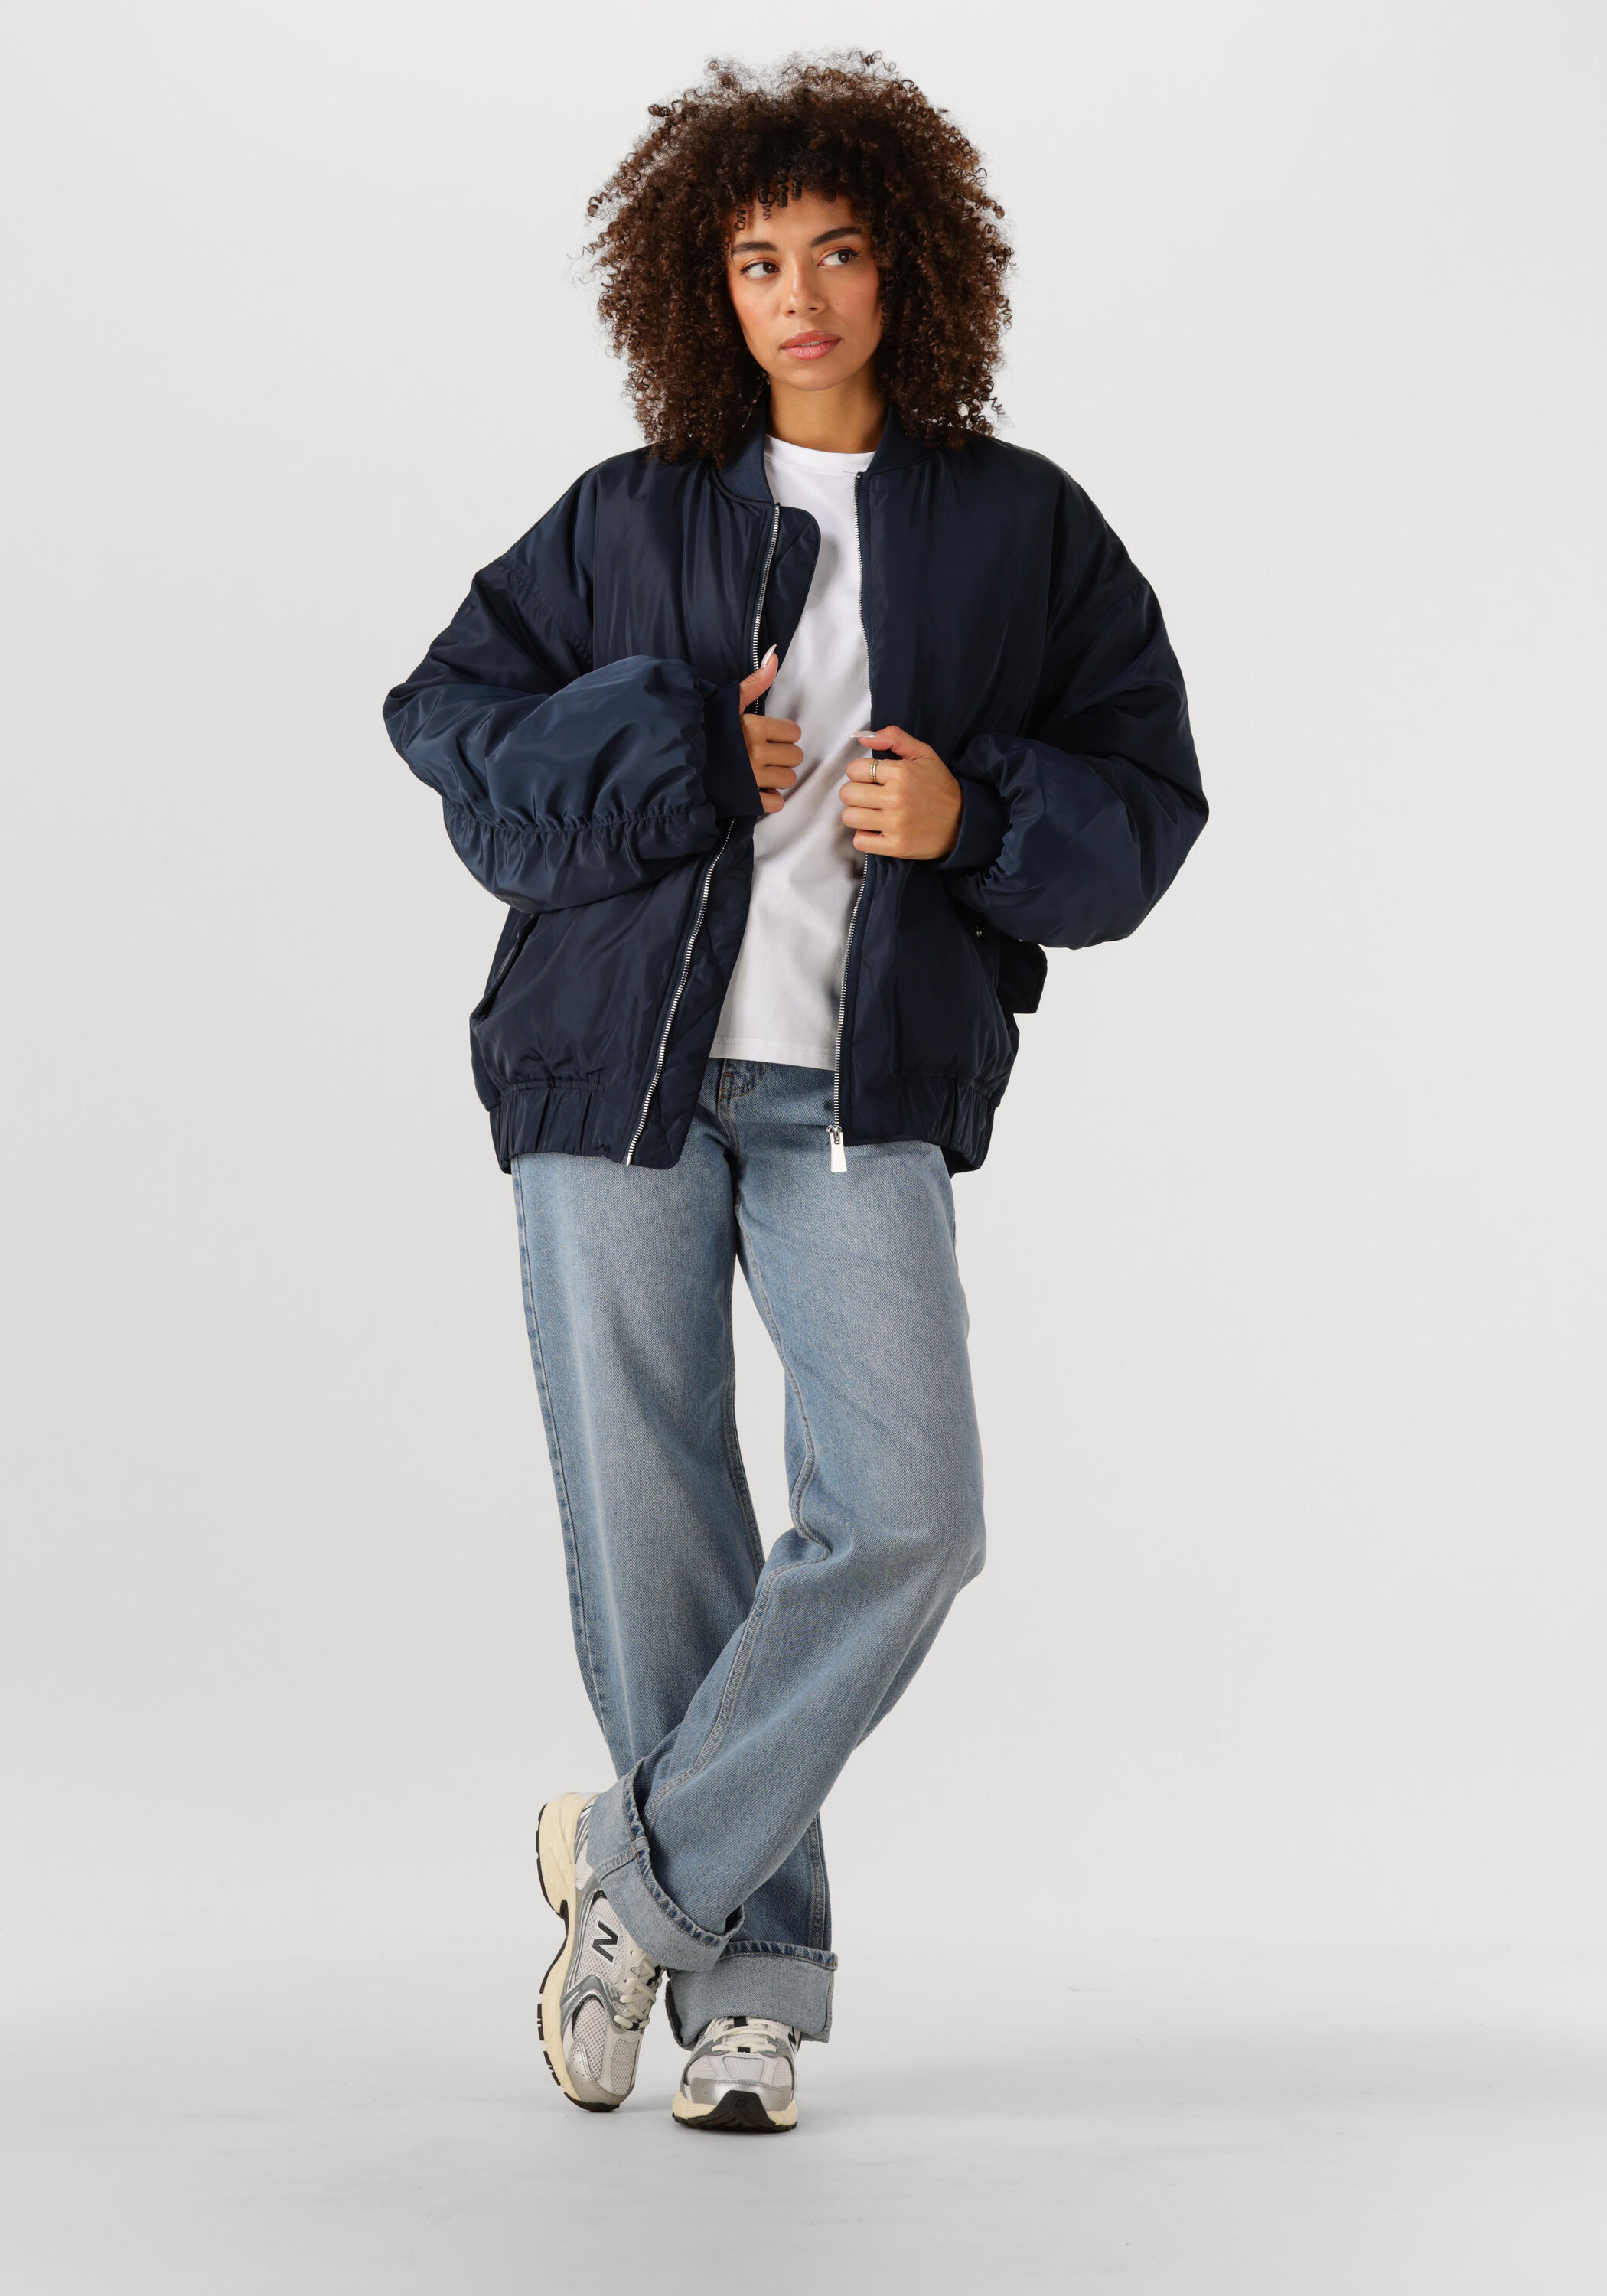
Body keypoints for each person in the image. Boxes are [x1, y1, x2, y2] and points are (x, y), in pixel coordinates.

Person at [383, 53, 1205, 2135]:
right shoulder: (627, 513)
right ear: (706, 284)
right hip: (611, 1076)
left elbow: (1146, 803)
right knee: (661, 1523)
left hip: (859, 1090)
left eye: (838, 251)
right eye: (760, 261)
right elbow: (449, 722)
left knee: (909, 1520)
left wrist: (974, 812)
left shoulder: (1022, 526)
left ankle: (631, 1881)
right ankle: (745, 1992)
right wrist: (674, 747)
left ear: (909, 264)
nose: (803, 296)